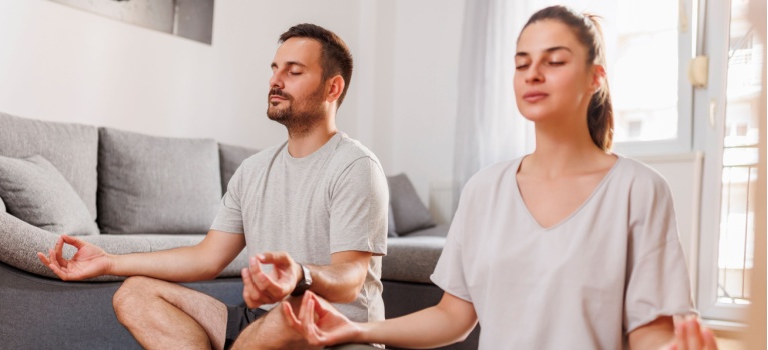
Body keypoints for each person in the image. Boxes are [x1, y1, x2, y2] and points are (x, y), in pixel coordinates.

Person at [280, 6, 719, 350]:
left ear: (595, 78)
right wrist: (356, 330)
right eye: (522, 61)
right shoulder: (484, 188)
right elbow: (453, 318)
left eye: (555, 61)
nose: (533, 73)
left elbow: (651, 332)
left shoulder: (638, 190)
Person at [38, 23, 389, 350]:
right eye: (274, 68)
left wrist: (299, 274)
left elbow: (350, 278)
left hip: (333, 332)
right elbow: (206, 257)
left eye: (294, 71)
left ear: (333, 87)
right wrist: (109, 262)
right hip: (261, 322)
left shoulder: (355, 167)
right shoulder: (253, 170)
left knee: (289, 313)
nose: (275, 80)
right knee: (134, 295)